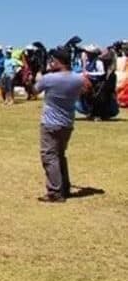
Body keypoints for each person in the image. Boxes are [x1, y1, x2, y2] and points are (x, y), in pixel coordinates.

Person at [34, 48, 92, 202]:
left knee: (49, 156)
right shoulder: (77, 78)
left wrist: (39, 76)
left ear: (58, 61)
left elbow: (34, 90)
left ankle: (55, 192)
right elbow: (87, 88)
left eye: (52, 60)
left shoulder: (49, 79)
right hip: (67, 122)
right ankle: (64, 187)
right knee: (60, 155)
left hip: (50, 122)